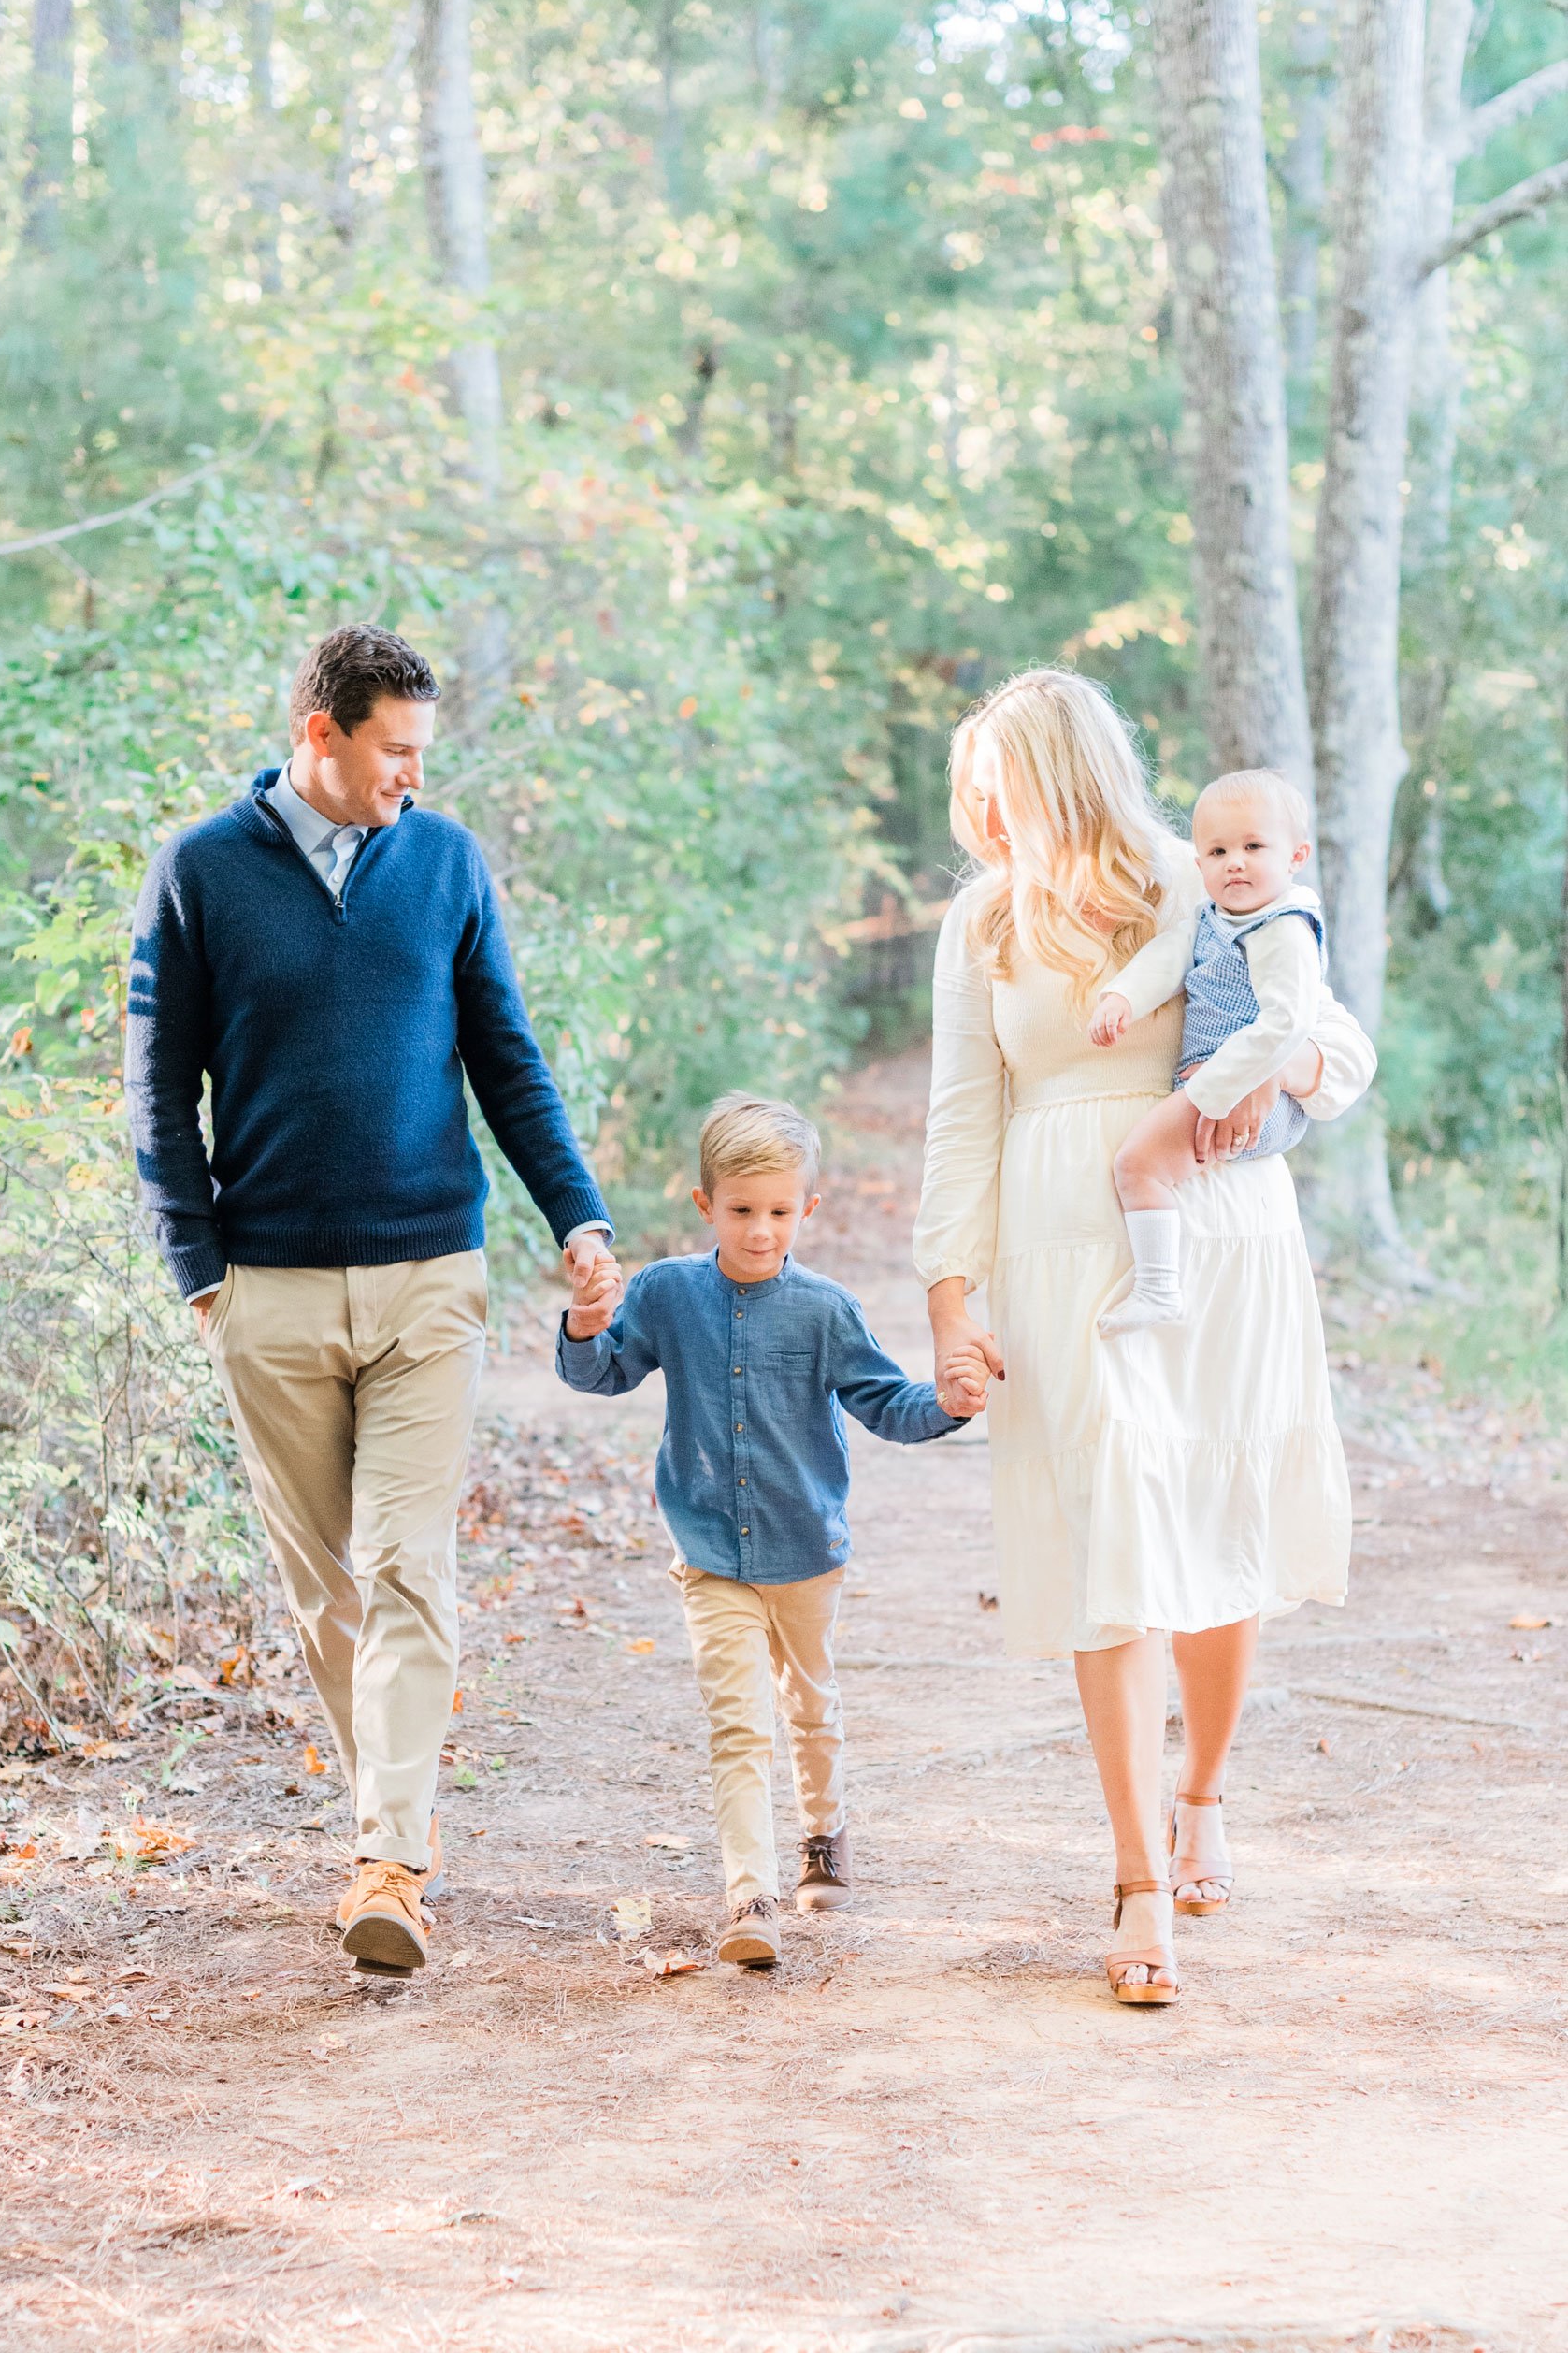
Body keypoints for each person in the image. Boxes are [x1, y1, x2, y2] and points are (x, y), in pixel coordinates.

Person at [125, 623, 622, 1978]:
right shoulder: (202, 871)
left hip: (427, 1280)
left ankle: (387, 1858)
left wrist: (574, 1213)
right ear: (321, 736)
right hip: (269, 1290)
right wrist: (201, 1277)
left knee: (409, 1563)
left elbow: (506, 1058)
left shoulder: (445, 862)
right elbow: (158, 1094)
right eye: (392, 751)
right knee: (328, 1596)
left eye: (421, 752)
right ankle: (388, 1829)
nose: (412, 776)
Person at [913, 670, 1375, 2006]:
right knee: (1104, 1537)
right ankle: (1132, 1876)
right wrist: (952, 1291)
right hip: (1059, 1243)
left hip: (1217, 1229)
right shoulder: (983, 920)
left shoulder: (1201, 873)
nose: (980, 816)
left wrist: (1261, 1080)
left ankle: (1206, 1793)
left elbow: (1339, 1050)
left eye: (992, 788)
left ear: (1057, 773)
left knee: (1218, 1523)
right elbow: (961, 1113)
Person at [557, 1093, 968, 1969]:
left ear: (807, 1210)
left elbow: (885, 1402)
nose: (759, 1230)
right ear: (706, 1205)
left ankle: (826, 1836)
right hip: (708, 1551)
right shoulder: (670, 1293)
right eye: (741, 1211)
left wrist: (947, 1403)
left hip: (805, 1550)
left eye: (779, 1212)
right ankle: (751, 1894)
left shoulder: (825, 1310)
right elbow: (606, 1372)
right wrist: (586, 1328)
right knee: (738, 1722)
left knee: (809, 1706)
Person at [1089, 767, 1324, 1335]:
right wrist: (1122, 996)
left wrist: (1217, 1090)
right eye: (1217, 851)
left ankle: (1159, 1289)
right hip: (1219, 1089)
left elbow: (1287, 1021)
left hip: (1247, 1101)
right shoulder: (1214, 917)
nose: (1234, 862)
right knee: (1151, 1164)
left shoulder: (1282, 928)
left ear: (1296, 856)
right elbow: (1170, 957)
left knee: (1136, 1164)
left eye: (1252, 846)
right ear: (1200, 866)